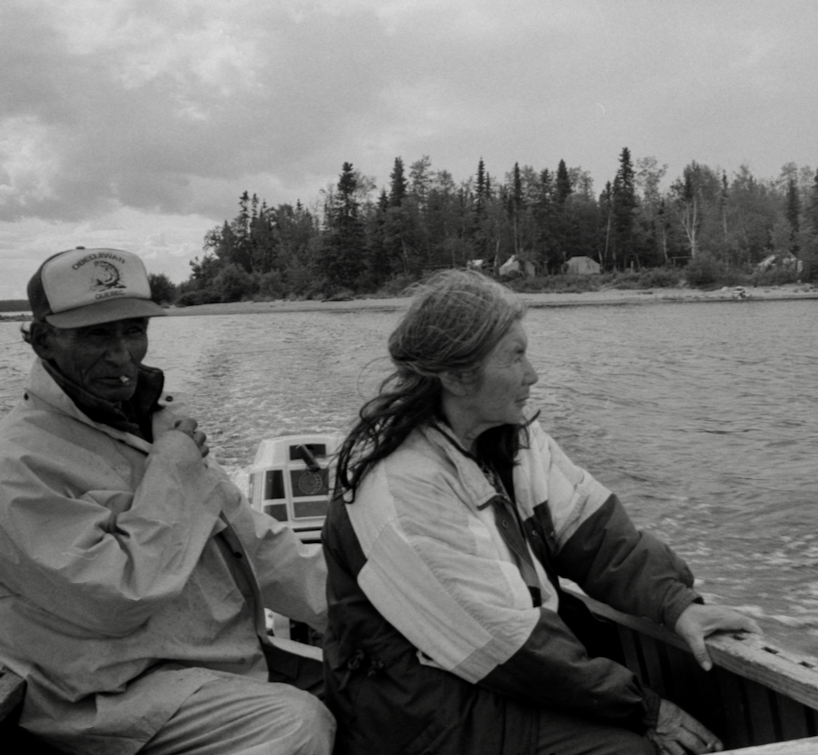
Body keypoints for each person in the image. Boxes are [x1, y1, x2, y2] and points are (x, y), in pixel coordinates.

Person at [323, 269, 761, 755]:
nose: (533, 374)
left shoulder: (511, 438)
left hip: (487, 670)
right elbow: (509, 645)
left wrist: (677, 607)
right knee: (627, 752)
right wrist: (646, 709)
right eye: (516, 356)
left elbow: (596, 536)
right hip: (417, 708)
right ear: (456, 376)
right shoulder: (402, 487)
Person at [0, 247, 334, 755]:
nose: (121, 355)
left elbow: (259, 544)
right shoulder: (17, 462)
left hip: (220, 664)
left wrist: (365, 611)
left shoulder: (157, 427)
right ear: (42, 340)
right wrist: (173, 469)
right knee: (294, 724)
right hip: (110, 695)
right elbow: (114, 598)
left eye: (133, 329)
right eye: (95, 335)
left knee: (391, 691)